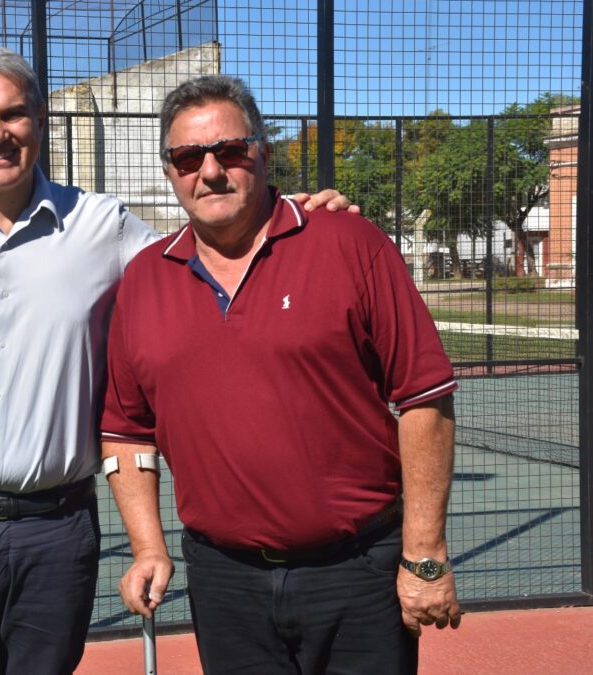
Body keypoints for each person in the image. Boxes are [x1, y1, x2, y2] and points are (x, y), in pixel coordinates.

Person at [0, 48, 354, 674]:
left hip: (55, 527)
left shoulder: (104, 225)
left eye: (13, 114)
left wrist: (288, 217)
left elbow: (205, 256)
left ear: (39, 120)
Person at [100, 74, 462, 674]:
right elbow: (127, 430)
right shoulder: (143, 278)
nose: (210, 171)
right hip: (223, 580)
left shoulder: (350, 241)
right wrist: (146, 547)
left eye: (230, 151)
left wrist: (425, 555)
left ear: (263, 154)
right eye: (188, 157)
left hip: (357, 571)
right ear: (170, 172)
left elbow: (425, 398)